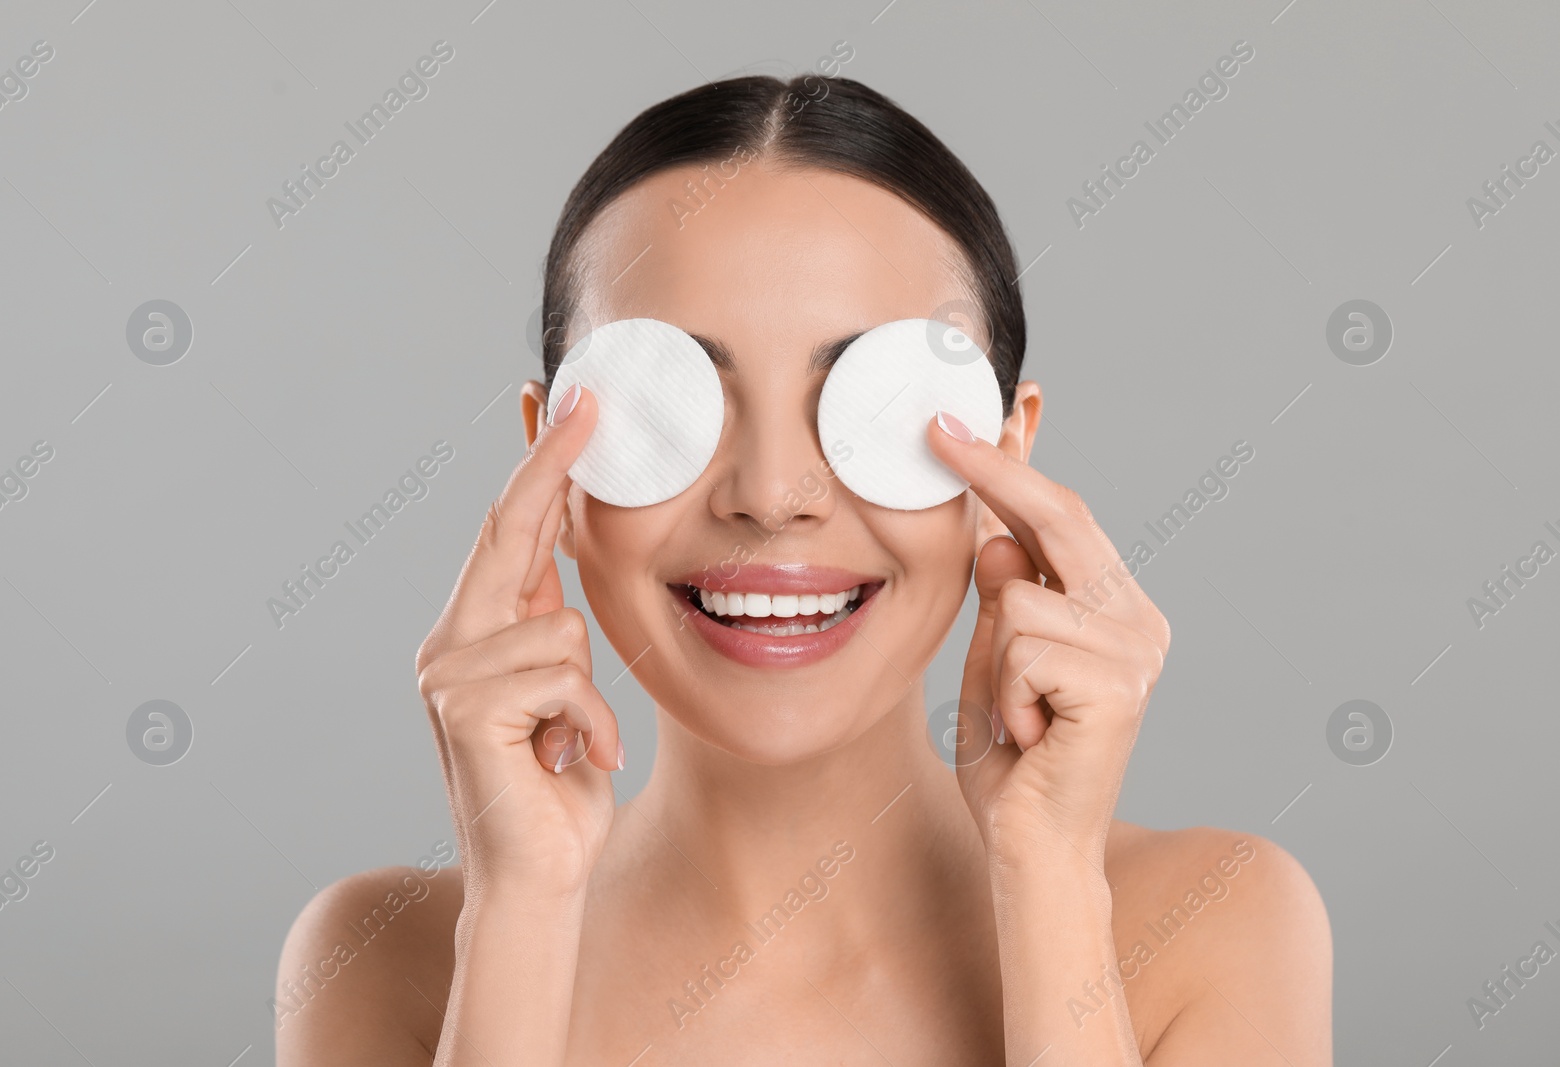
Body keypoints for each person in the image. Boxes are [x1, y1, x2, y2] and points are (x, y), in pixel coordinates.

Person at [276, 74, 1331, 1065]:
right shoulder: (381, 959)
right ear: (547, 461)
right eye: (668, 406)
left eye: (871, 406)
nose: (771, 492)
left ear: (1006, 456)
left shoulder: (1219, 921)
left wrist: (1050, 882)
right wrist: (519, 915)